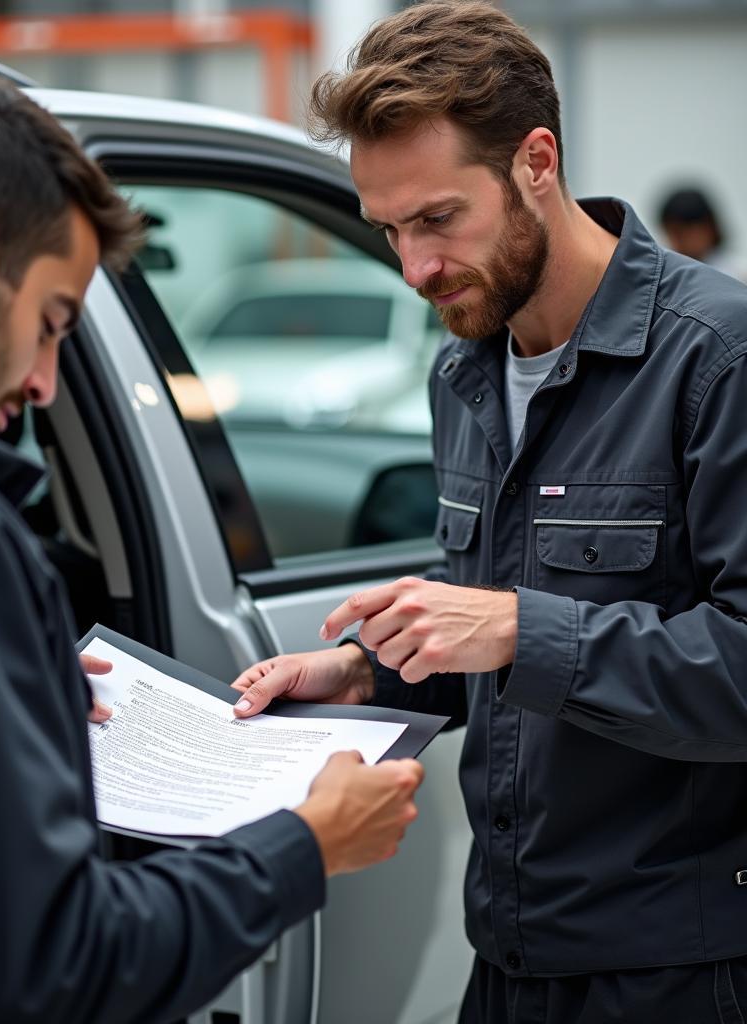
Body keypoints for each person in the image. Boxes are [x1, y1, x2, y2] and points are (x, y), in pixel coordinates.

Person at [0, 70, 425, 1022]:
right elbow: (61, 975)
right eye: (52, 322)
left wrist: (1, 687)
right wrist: (307, 845)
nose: (49, 382)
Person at [230, 3, 747, 1020]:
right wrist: (363, 672)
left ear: (535, 161)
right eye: (388, 230)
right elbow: (492, 655)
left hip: (677, 975)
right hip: (506, 953)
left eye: (435, 219)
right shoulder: (463, 374)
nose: (413, 268)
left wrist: (517, 625)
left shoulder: (715, 361)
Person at [658, 184, 746, 280]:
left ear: (708, 228)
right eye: (671, 233)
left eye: (681, 233)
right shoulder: (664, 278)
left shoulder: (739, 277)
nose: (678, 241)